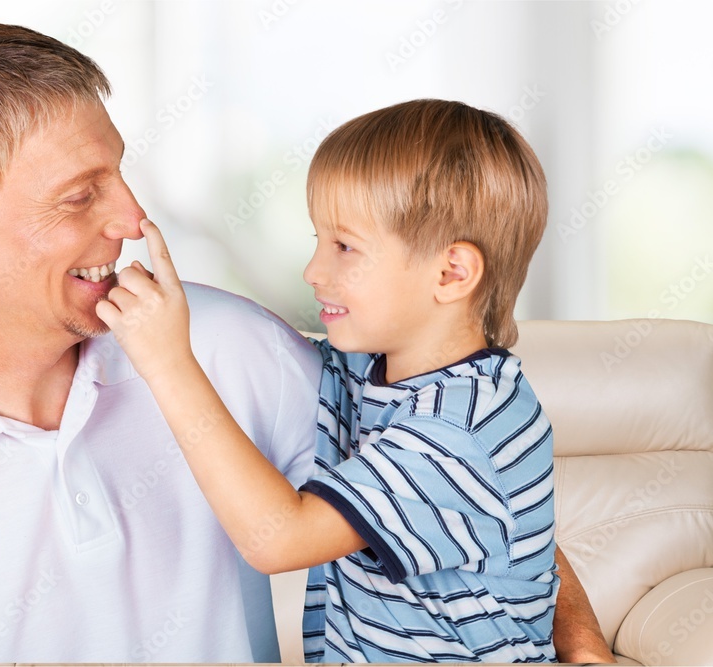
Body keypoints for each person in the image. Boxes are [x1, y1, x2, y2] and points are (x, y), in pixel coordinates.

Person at [0, 23, 612, 664]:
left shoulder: (221, 346)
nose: (132, 216)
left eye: (119, 172)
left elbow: (457, 493)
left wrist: (581, 645)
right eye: (81, 194)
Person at [97, 100, 588, 662]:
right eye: (318, 240)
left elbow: (278, 538)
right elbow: (261, 357)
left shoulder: (460, 428)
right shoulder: (370, 371)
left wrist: (167, 361)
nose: (313, 271)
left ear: (451, 273)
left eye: (345, 247)